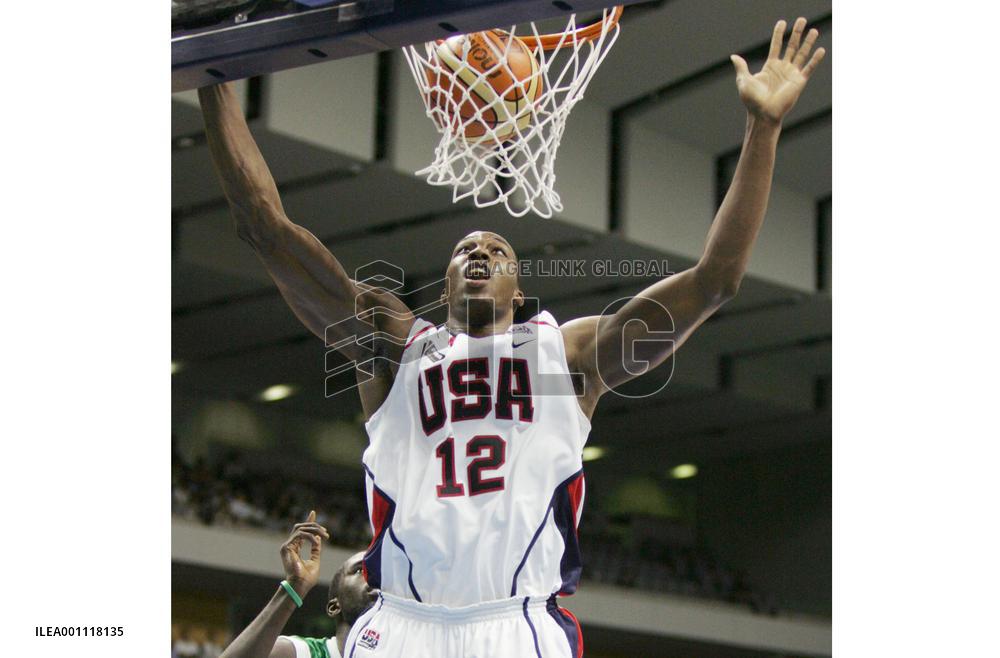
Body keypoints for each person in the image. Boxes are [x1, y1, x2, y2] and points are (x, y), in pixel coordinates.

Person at [198, 17, 825, 657]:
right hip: (401, 623)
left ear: (519, 293)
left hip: (516, 624)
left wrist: (763, 128)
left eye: (497, 250)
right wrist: (213, 75)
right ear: (443, 289)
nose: (480, 252)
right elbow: (266, 229)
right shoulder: (393, 348)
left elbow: (715, 282)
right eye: (465, 248)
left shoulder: (567, 355)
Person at [219, 512, 379, 658]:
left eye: (381, 575)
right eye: (360, 571)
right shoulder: (301, 652)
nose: (375, 579)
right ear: (334, 606)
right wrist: (294, 587)